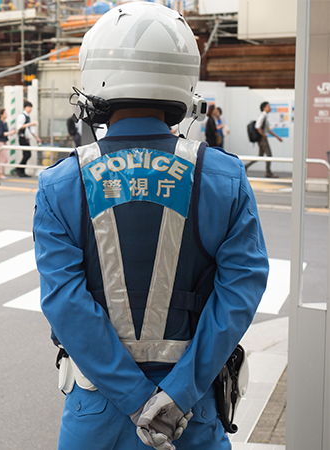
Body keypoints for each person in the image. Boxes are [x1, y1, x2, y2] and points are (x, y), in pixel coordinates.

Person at [33, 3, 269, 450]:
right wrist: (175, 396)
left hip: (98, 411)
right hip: (191, 412)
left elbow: (65, 303)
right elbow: (241, 292)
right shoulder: (223, 177)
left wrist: (136, 399)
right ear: (184, 80)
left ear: (96, 77)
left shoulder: (60, 184)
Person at [245, 101, 281, 178]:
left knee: (260, 156)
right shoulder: (262, 116)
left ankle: (246, 166)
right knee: (269, 155)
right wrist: (263, 135)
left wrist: (277, 137)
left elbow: (268, 130)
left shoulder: (265, 117)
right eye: (268, 106)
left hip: (262, 138)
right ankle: (268, 172)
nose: (270, 108)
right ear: (264, 108)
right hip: (262, 139)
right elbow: (258, 127)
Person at [0, 108, 17, 179]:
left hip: (3, 142)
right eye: (5, 113)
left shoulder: (5, 123)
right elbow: (0, 133)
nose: (6, 114)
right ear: (1, 115)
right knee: (2, 158)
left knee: (1, 158)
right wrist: (11, 132)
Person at [15, 101, 41, 177]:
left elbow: (31, 130)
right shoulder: (22, 116)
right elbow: (19, 127)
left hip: (26, 138)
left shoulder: (28, 117)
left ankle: (21, 170)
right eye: (29, 107)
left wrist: (37, 138)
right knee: (27, 154)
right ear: (25, 107)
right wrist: (31, 124)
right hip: (22, 137)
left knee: (27, 154)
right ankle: (19, 169)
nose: (30, 109)